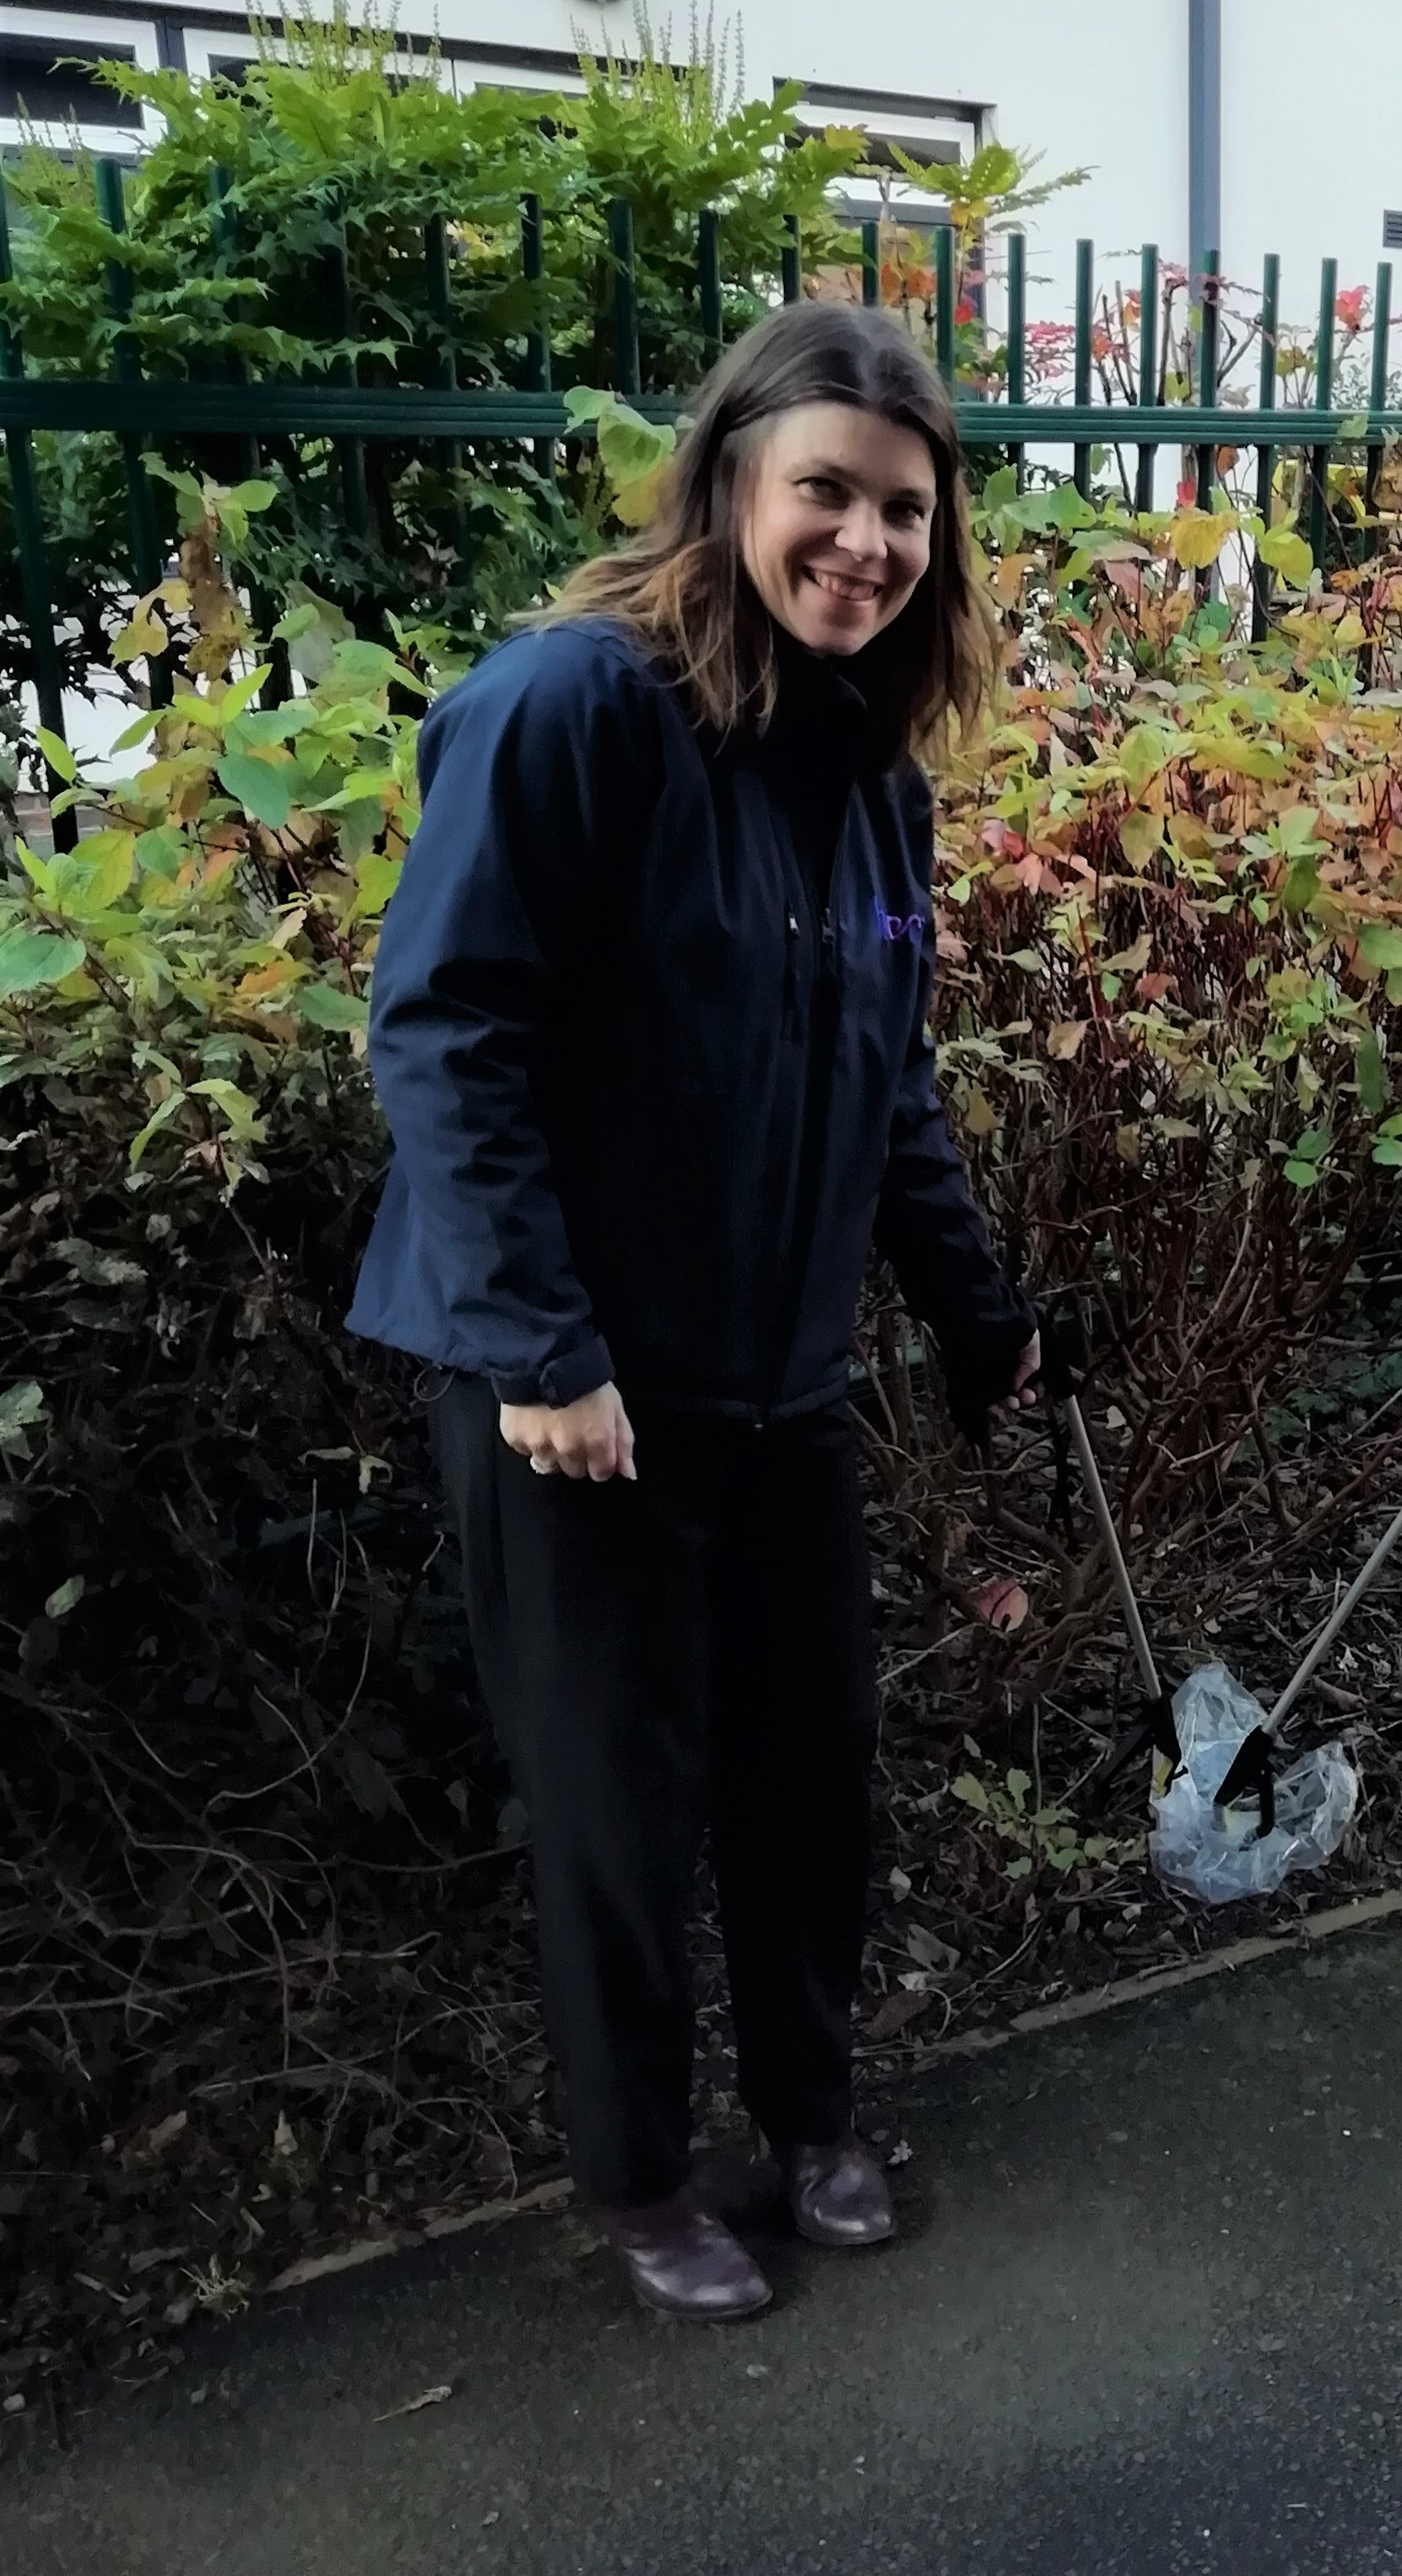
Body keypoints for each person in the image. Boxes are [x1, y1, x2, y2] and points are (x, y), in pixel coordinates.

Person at [350, 301, 1038, 2315]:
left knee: (809, 1774)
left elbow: (878, 1074)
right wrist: (541, 1348)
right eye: (824, 488)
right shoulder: (569, 707)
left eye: (903, 508)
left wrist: (974, 1306)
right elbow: (446, 1032)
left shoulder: (868, 778)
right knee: (616, 1794)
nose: (864, 539)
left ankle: (813, 2116)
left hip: (776, 1376)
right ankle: (642, 2177)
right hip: (574, 1386)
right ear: (732, 478)